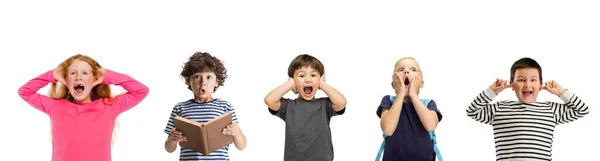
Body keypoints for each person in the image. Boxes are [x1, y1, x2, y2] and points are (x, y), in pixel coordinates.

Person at [18, 54, 150, 161]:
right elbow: (24, 92)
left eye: (85, 73)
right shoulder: (56, 107)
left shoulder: (109, 107)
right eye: (73, 73)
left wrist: (108, 75)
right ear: (65, 80)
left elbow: (141, 91)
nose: (79, 77)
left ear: (95, 80)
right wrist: (52, 75)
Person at [466, 57, 590, 161]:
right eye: (521, 80)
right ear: (512, 85)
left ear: (540, 84)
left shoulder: (551, 110)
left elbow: (582, 110)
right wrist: (491, 91)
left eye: (533, 80)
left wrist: (561, 92)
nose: (527, 85)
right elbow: (472, 111)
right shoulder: (500, 109)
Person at [164, 52, 246, 161]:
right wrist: (172, 139)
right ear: (189, 81)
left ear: (217, 81)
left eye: (209, 77)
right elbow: (169, 148)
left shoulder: (225, 107)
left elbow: (241, 146)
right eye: (197, 77)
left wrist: (237, 132)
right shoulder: (180, 108)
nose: (203, 83)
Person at [264, 54, 347, 161]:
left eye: (313, 75)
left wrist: (322, 84)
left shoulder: (325, 105)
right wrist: (289, 84)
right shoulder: (288, 106)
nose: (308, 80)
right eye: (301, 76)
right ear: (293, 81)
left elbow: (341, 102)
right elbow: (269, 100)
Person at [376, 57, 442, 161]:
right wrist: (400, 94)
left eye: (413, 69)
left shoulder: (429, 104)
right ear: (394, 84)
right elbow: (388, 129)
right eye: (400, 70)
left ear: (421, 83)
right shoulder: (388, 101)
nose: (406, 71)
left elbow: (431, 126)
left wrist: (414, 96)